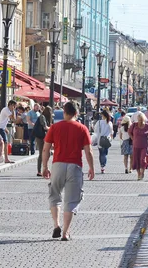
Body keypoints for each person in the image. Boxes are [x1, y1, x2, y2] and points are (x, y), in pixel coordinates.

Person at [42, 101, 94, 241]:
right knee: (71, 201)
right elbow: (88, 151)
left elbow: (46, 149)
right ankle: (65, 232)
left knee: (54, 195)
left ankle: (56, 225)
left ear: (64, 112)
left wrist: (45, 167)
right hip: (74, 166)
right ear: (76, 113)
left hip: (58, 164)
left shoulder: (54, 127)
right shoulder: (82, 128)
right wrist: (91, 168)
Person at [129, 113, 148, 181]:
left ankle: (142, 172)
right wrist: (132, 138)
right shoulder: (134, 125)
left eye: (141, 120)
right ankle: (139, 174)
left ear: (144, 120)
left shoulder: (147, 126)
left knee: (142, 160)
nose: (140, 121)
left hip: (144, 146)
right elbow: (129, 132)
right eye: (139, 120)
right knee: (136, 160)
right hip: (136, 146)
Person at [0, 99, 17, 164]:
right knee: (5, 142)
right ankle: (6, 159)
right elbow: (13, 119)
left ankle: (0, 156)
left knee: (0, 143)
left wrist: (5, 128)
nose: (14, 108)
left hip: (0, 127)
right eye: (14, 106)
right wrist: (13, 111)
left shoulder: (6, 110)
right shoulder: (6, 110)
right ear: (11, 105)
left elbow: (4, 120)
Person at [33, 106, 52, 176]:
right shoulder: (42, 117)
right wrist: (52, 128)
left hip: (43, 136)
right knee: (41, 153)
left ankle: (45, 168)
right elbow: (45, 127)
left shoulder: (45, 117)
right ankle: (39, 170)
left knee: (47, 152)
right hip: (40, 137)